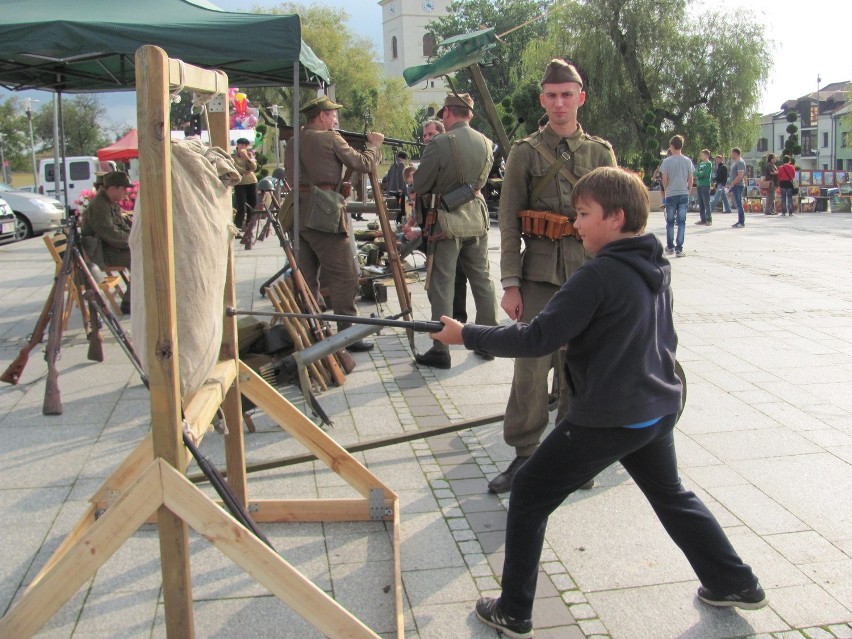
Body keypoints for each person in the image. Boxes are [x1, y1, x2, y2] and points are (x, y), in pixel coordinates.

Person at [431, 166, 768, 638]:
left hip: (611, 415)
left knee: (528, 493)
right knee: (672, 496)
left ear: (616, 217)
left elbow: (537, 338)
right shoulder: (652, 264)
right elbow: (645, 334)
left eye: (584, 214)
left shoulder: (599, 275)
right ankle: (734, 582)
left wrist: (465, 333)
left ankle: (513, 611)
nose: (576, 223)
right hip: (654, 408)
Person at [490, 59, 617, 494]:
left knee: (578, 367)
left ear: (580, 98)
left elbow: (616, 220)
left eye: (567, 94)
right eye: (551, 95)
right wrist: (510, 283)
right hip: (539, 275)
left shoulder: (600, 153)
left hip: (588, 276)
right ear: (542, 99)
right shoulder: (524, 152)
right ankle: (524, 455)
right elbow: (508, 221)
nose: (559, 103)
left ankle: (570, 454)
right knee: (529, 367)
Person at [284, 95, 385, 352]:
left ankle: (313, 330)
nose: (335, 119)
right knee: (346, 276)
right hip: (323, 213)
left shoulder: (294, 141)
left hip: (297, 211)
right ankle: (347, 336)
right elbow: (362, 163)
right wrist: (374, 145)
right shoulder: (330, 138)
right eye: (332, 115)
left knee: (307, 278)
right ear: (321, 116)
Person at [412, 92, 498, 369]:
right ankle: (488, 341)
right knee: (482, 279)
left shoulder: (439, 143)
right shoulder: (486, 143)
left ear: (448, 113)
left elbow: (421, 184)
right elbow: (480, 182)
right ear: (469, 114)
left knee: (442, 284)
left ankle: (441, 349)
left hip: (445, 222)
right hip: (477, 218)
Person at [420, 117, 469, 323]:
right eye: (425, 135)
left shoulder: (450, 154)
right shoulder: (430, 154)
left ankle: (455, 317)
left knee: (455, 274)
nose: (428, 139)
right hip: (431, 220)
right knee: (437, 274)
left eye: (432, 134)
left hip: (450, 220)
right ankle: (445, 316)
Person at [81, 170, 133, 314]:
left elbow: (121, 227)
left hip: (109, 248)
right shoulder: (100, 205)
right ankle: (130, 303)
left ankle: (134, 298)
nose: (125, 193)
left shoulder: (108, 202)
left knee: (142, 254)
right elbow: (110, 233)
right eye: (123, 189)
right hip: (102, 254)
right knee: (141, 259)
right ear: (112, 188)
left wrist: (134, 235)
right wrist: (133, 240)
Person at [660, 134, 694, 257]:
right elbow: (690, 179)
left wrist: (666, 189)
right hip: (683, 193)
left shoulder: (666, 162)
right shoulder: (687, 161)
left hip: (671, 193)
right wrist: (688, 190)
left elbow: (664, 179)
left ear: (671, 146)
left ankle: (670, 247)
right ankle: (679, 248)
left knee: (670, 221)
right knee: (681, 222)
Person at [232, 137, 258, 234]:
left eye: (244, 145)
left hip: (252, 182)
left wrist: (247, 157)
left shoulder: (250, 155)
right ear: (237, 145)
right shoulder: (233, 157)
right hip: (240, 183)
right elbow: (236, 168)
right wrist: (246, 171)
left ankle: (249, 226)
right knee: (241, 206)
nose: (243, 147)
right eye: (241, 145)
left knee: (253, 204)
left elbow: (254, 167)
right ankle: (237, 227)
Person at [384, 150, 408, 224]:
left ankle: (398, 220)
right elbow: (401, 177)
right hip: (399, 190)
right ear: (404, 158)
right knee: (401, 206)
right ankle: (399, 221)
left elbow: (387, 178)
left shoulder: (392, 165)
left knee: (395, 207)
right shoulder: (401, 165)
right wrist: (401, 189)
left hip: (391, 189)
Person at [694, 149, 713, 226]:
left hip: (705, 184)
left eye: (702, 155)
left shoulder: (709, 164)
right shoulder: (700, 164)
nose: (701, 157)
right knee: (701, 203)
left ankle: (709, 219)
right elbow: (695, 172)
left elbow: (704, 174)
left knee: (706, 202)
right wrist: (699, 173)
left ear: (707, 155)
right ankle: (703, 219)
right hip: (699, 184)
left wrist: (699, 173)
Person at [728, 147, 747, 228]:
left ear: (735, 153)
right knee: (737, 203)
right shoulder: (736, 162)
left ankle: (741, 222)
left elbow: (740, 176)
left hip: (738, 185)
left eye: (732, 153)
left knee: (739, 204)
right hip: (735, 185)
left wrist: (733, 183)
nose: (731, 154)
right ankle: (739, 221)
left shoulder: (740, 162)